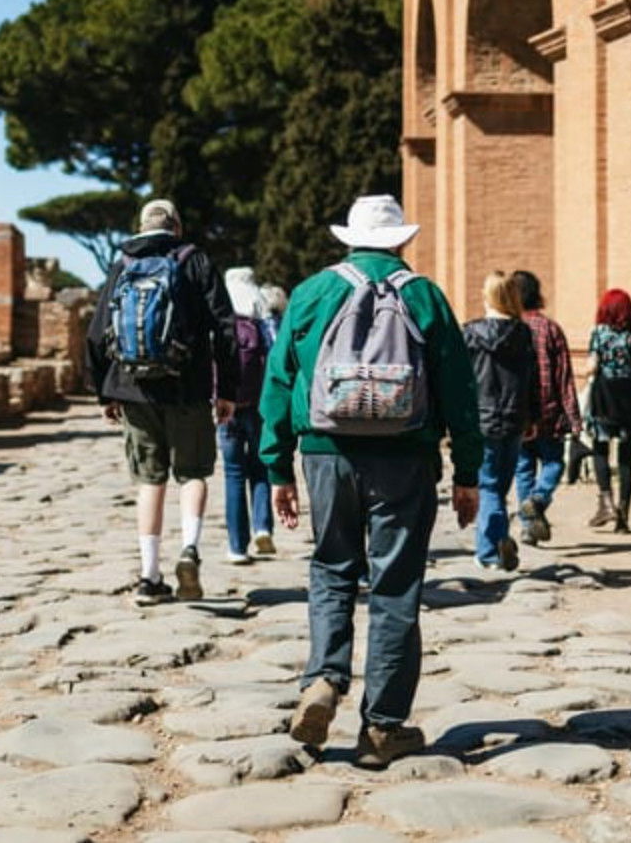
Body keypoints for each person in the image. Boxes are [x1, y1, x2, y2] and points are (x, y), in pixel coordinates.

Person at [259, 194, 481, 768]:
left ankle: (323, 680)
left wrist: (277, 465)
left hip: (326, 454)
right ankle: (382, 727)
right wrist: (469, 473)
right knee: (396, 586)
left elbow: (279, 382)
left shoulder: (312, 292)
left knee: (332, 569)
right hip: (405, 458)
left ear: (350, 238)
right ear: (402, 240)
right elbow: (459, 389)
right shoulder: (424, 294)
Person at [86, 199, 238, 605]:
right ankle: (189, 548)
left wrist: (105, 391)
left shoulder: (122, 264)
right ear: (178, 226)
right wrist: (227, 390)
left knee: (149, 480)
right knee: (192, 474)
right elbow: (226, 328)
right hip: (187, 387)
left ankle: (150, 576)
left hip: (134, 389)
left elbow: (97, 333)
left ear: (140, 227)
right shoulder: (194, 261)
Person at [462, 271, 536, 571]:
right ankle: (493, 545)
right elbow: (533, 379)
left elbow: (462, 380)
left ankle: (492, 549)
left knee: (488, 486)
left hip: (482, 419)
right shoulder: (524, 334)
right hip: (516, 418)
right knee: (500, 487)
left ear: (488, 296)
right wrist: (534, 416)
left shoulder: (470, 333)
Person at [511, 270, 583, 546]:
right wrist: (574, 418)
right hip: (549, 413)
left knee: (523, 469)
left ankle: (529, 528)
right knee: (554, 462)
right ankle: (538, 500)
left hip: (518, 415)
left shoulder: (511, 329)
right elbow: (564, 376)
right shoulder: (550, 329)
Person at [585, 289, 631, 533]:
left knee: (600, 450)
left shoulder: (600, 336)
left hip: (605, 397)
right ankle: (623, 516)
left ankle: (606, 501)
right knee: (625, 457)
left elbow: (592, 366)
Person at [220, 267, 275, 563]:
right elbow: (277, 355)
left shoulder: (220, 316)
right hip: (258, 404)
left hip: (226, 407)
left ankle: (236, 547)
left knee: (233, 473)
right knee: (260, 467)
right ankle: (263, 527)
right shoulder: (261, 314)